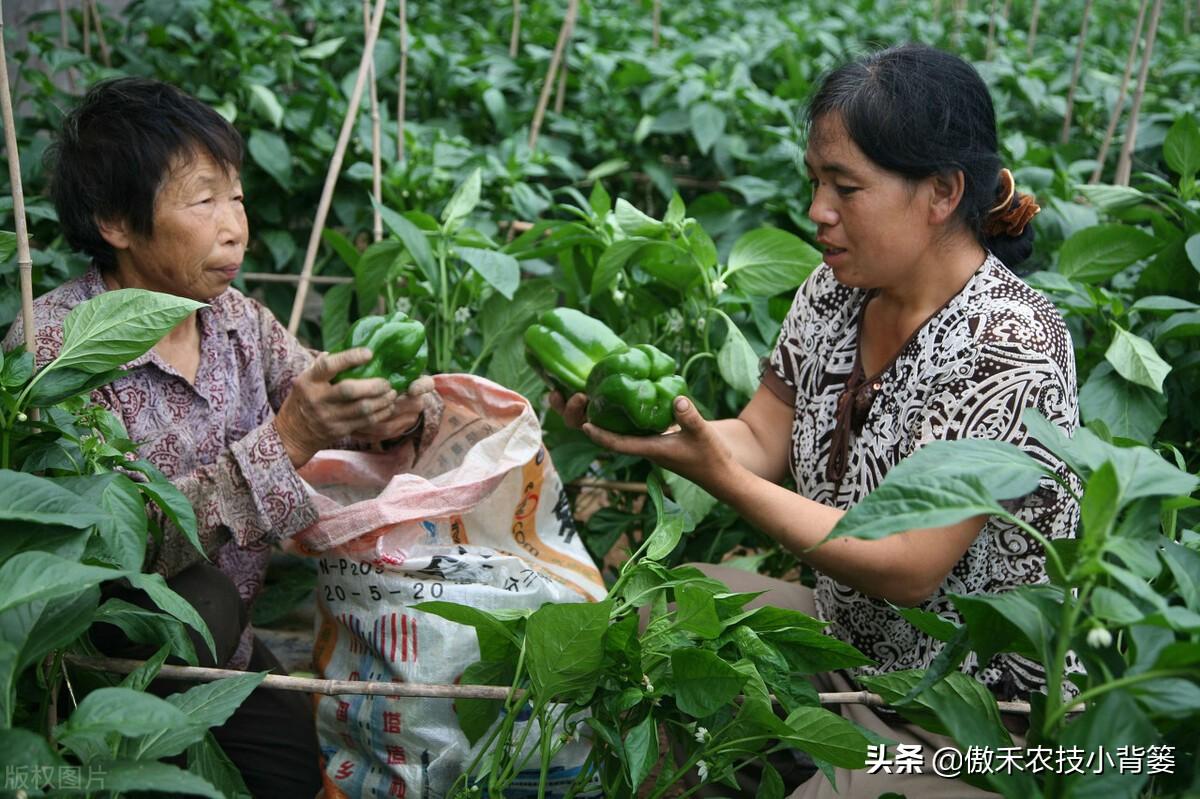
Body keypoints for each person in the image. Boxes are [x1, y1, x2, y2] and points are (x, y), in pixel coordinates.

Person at [551, 44, 1079, 798]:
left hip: (969, 714)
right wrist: (672, 438)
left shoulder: (1011, 343)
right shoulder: (836, 291)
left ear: (940, 192)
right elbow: (762, 438)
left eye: (846, 187)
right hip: (846, 652)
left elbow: (906, 561)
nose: (817, 212)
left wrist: (724, 480)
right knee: (667, 613)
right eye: (816, 182)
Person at [2, 77, 440, 798]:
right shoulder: (57, 349)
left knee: (296, 767)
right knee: (195, 599)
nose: (234, 224)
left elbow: (313, 388)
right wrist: (290, 436)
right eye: (203, 199)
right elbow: (108, 548)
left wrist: (388, 411)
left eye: (234, 195)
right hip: (102, 663)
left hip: (221, 646)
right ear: (116, 220)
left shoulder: (234, 318)